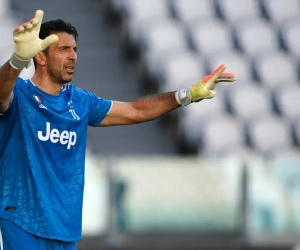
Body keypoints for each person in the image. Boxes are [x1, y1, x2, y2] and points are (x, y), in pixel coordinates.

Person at [0, 10, 235, 250]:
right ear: (40, 57)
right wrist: (18, 60)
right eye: (64, 49)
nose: (73, 57)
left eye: (75, 50)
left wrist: (186, 96)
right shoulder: (19, 94)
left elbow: (134, 110)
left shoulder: (80, 101)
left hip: (64, 227)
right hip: (22, 220)